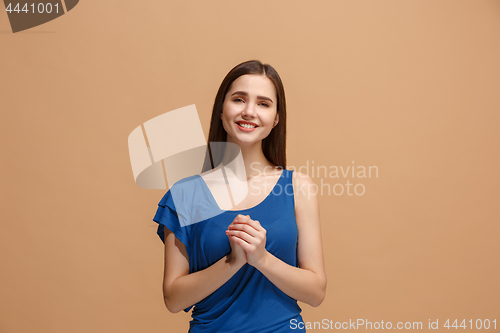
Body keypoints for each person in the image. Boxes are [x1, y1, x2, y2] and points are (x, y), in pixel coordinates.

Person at [152, 60, 326, 332]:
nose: (249, 111)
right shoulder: (185, 195)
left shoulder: (298, 187)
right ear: (222, 110)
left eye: (263, 104)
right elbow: (173, 298)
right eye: (239, 99)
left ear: (276, 118)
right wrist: (234, 261)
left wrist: (262, 259)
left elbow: (316, 292)